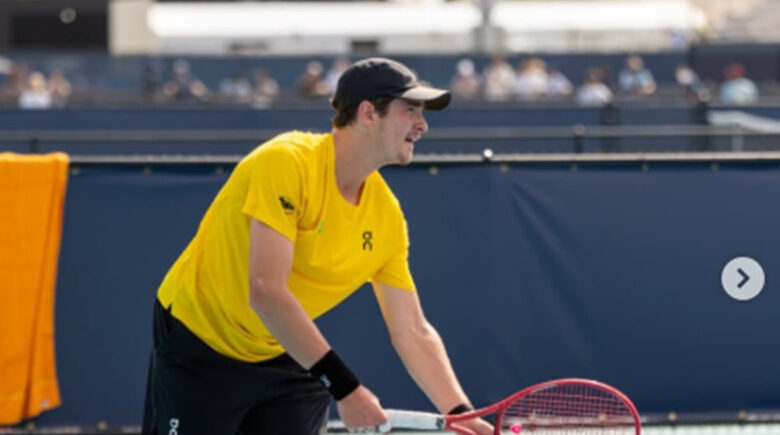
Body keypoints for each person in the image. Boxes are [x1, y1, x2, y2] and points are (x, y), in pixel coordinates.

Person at [142, 57, 493, 435]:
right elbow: (265, 292)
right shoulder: (286, 162)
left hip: (283, 350)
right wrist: (346, 388)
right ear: (368, 113)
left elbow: (412, 330)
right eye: (410, 111)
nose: (422, 125)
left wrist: (462, 413)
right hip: (199, 344)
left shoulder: (387, 217)